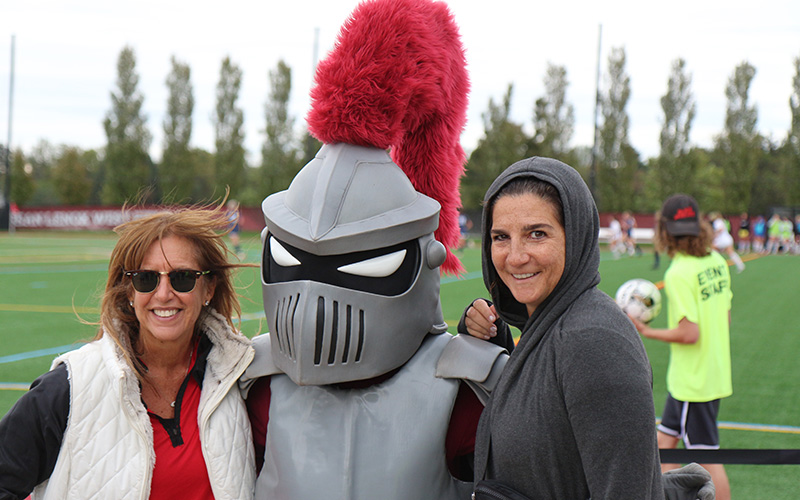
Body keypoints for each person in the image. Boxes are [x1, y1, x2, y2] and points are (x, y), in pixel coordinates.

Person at [0, 203, 256, 499]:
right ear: (129, 291)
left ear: (208, 289)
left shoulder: (243, 377)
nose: (163, 294)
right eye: (146, 279)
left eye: (182, 277)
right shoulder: (71, 387)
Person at [459, 157, 664, 499]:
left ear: (576, 235)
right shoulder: (551, 324)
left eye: (536, 234)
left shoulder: (592, 339)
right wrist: (495, 339)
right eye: (500, 237)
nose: (515, 256)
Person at [629, 194, 733, 500]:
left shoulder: (678, 272)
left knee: (709, 461)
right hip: (705, 374)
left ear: (664, 231)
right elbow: (724, 318)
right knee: (663, 448)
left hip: (694, 382)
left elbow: (690, 334)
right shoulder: (715, 260)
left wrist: (647, 331)